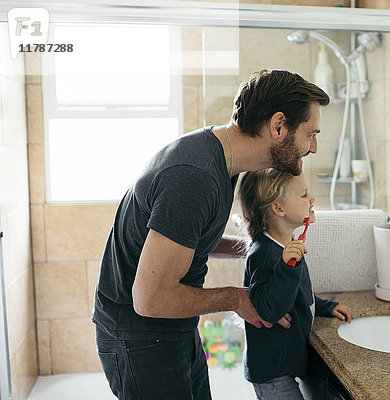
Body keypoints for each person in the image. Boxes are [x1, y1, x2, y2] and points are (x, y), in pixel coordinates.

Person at [92, 69, 330, 400]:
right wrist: (237, 298)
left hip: (171, 326)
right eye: (310, 133)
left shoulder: (219, 160)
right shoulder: (194, 177)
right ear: (278, 126)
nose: (314, 147)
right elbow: (149, 299)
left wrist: (262, 249)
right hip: (140, 337)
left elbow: (188, 238)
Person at [239, 169, 354, 399]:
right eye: (303, 194)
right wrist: (286, 267)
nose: (312, 199)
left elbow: (297, 294)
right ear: (278, 208)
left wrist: (324, 306)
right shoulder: (263, 253)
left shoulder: (287, 243)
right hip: (272, 372)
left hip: (286, 362)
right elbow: (267, 309)